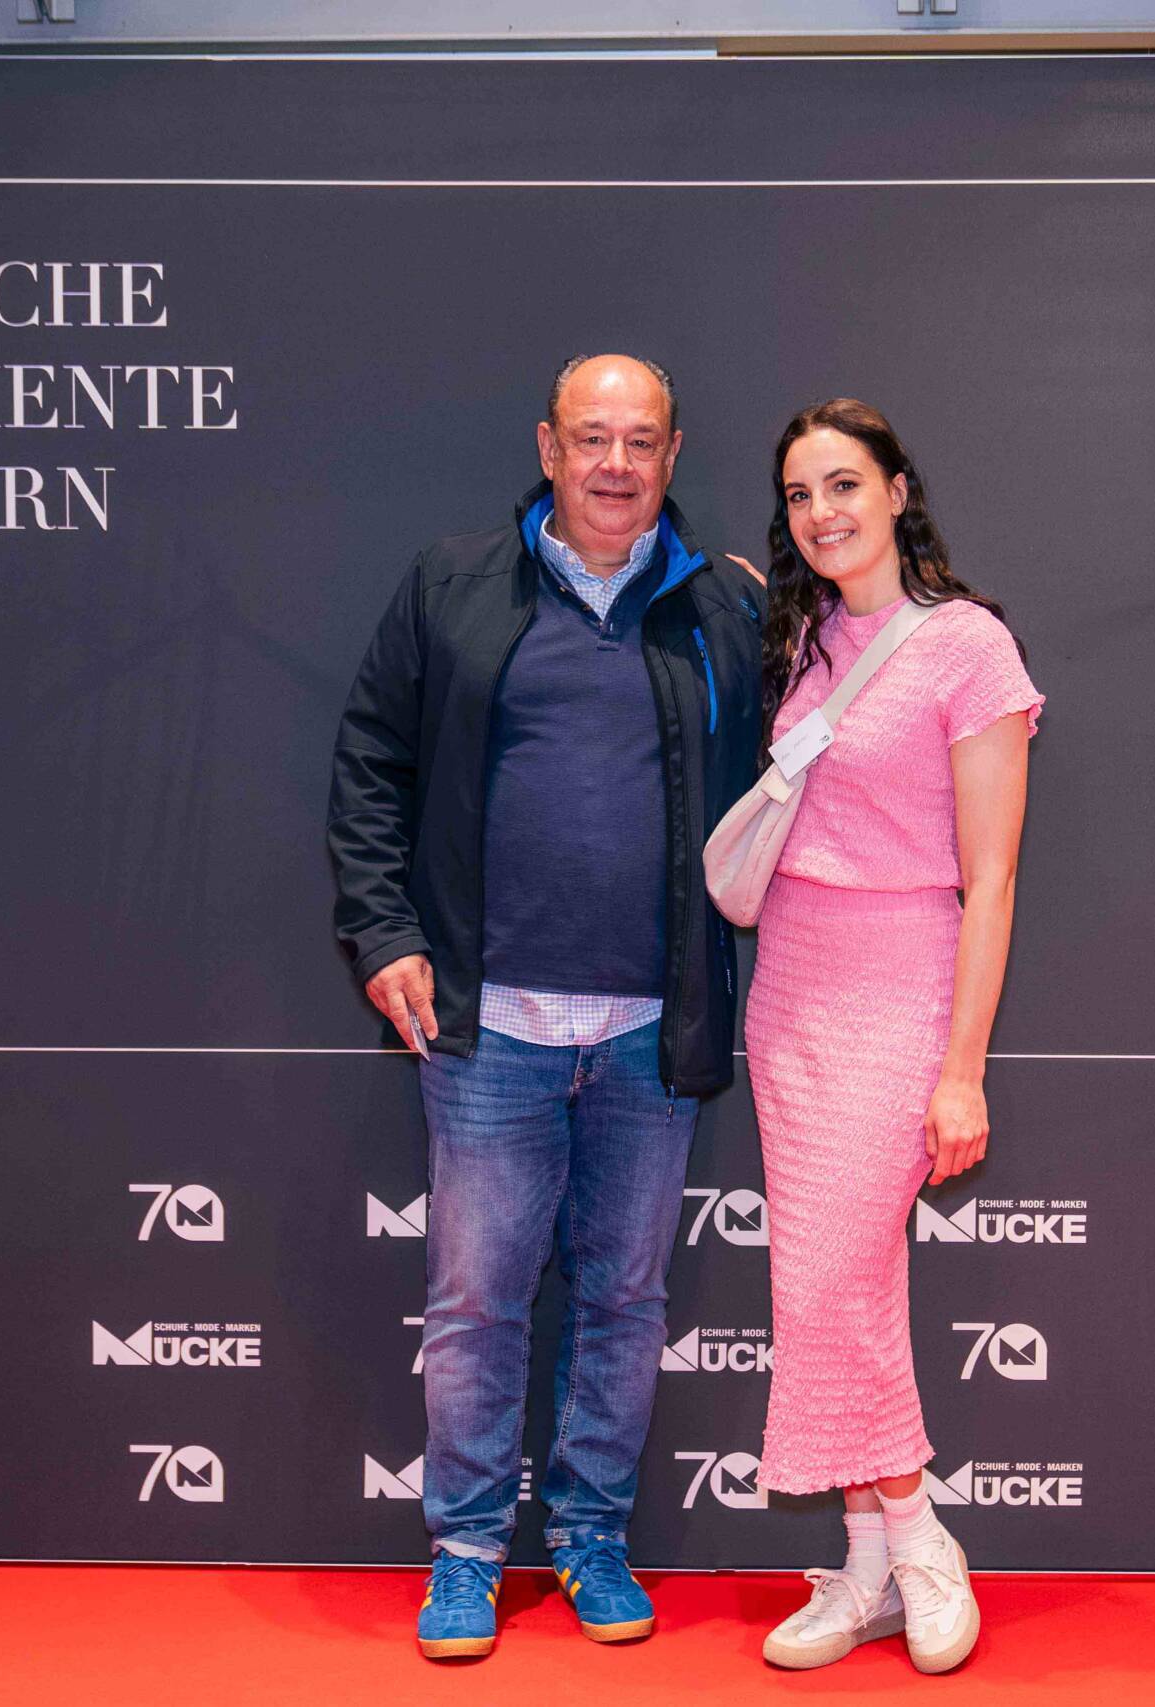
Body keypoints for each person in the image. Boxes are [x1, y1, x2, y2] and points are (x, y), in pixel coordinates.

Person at [326, 353, 764, 1660]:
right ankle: (466, 1550)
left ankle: (588, 1535)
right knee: (477, 1301)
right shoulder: (453, 584)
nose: (615, 463)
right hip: (490, 1024)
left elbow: (826, 735)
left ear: (673, 454)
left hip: (650, 1030)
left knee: (624, 1298)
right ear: (548, 446)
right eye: (592, 436)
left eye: (640, 439)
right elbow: (370, 762)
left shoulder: (722, 609)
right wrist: (384, 932)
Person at [744, 399, 1042, 1675]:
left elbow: (993, 877)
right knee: (829, 1278)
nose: (824, 512)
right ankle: (872, 1564)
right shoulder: (799, 639)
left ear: (897, 490)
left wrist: (962, 1069)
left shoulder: (967, 646)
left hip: (901, 980)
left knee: (833, 1275)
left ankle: (921, 1537)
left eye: (845, 484)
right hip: (789, 987)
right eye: (801, 493)